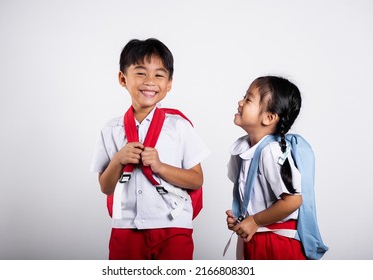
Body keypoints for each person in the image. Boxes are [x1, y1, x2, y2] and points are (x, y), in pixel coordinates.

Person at [90, 38, 210, 260]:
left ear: (169, 83)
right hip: (125, 227)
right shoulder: (111, 129)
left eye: (159, 75)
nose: (150, 81)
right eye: (141, 73)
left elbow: (196, 180)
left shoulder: (178, 126)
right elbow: (105, 187)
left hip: (173, 226)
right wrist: (118, 160)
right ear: (122, 78)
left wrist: (160, 166)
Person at [225, 76, 307, 259]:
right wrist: (242, 219)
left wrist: (254, 220)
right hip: (258, 239)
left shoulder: (271, 152)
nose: (240, 102)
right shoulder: (246, 147)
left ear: (269, 117)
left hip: (276, 245)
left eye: (248, 99)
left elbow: (293, 201)